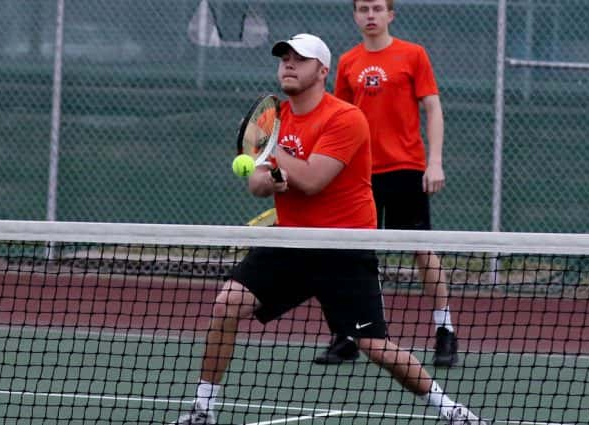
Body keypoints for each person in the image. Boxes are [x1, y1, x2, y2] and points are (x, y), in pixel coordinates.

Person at [168, 33, 486, 425]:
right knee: (227, 304)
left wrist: (271, 150)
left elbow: (315, 179)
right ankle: (203, 409)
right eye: (283, 58)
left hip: (343, 247)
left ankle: (450, 410)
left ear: (322, 71)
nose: (288, 64)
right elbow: (257, 185)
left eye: (298, 59)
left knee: (375, 346)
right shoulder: (275, 118)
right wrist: (272, 177)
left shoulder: (346, 118)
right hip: (291, 240)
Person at [315, 0, 458, 367]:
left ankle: (445, 332)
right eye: (363, 9)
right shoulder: (347, 61)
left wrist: (435, 162)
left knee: (423, 252)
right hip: (359, 175)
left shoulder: (414, 55)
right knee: (353, 255)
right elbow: (339, 120)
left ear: (391, 15)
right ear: (355, 16)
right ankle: (351, 333)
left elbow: (433, 107)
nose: (371, 15)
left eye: (378, 8)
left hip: (407, 169)